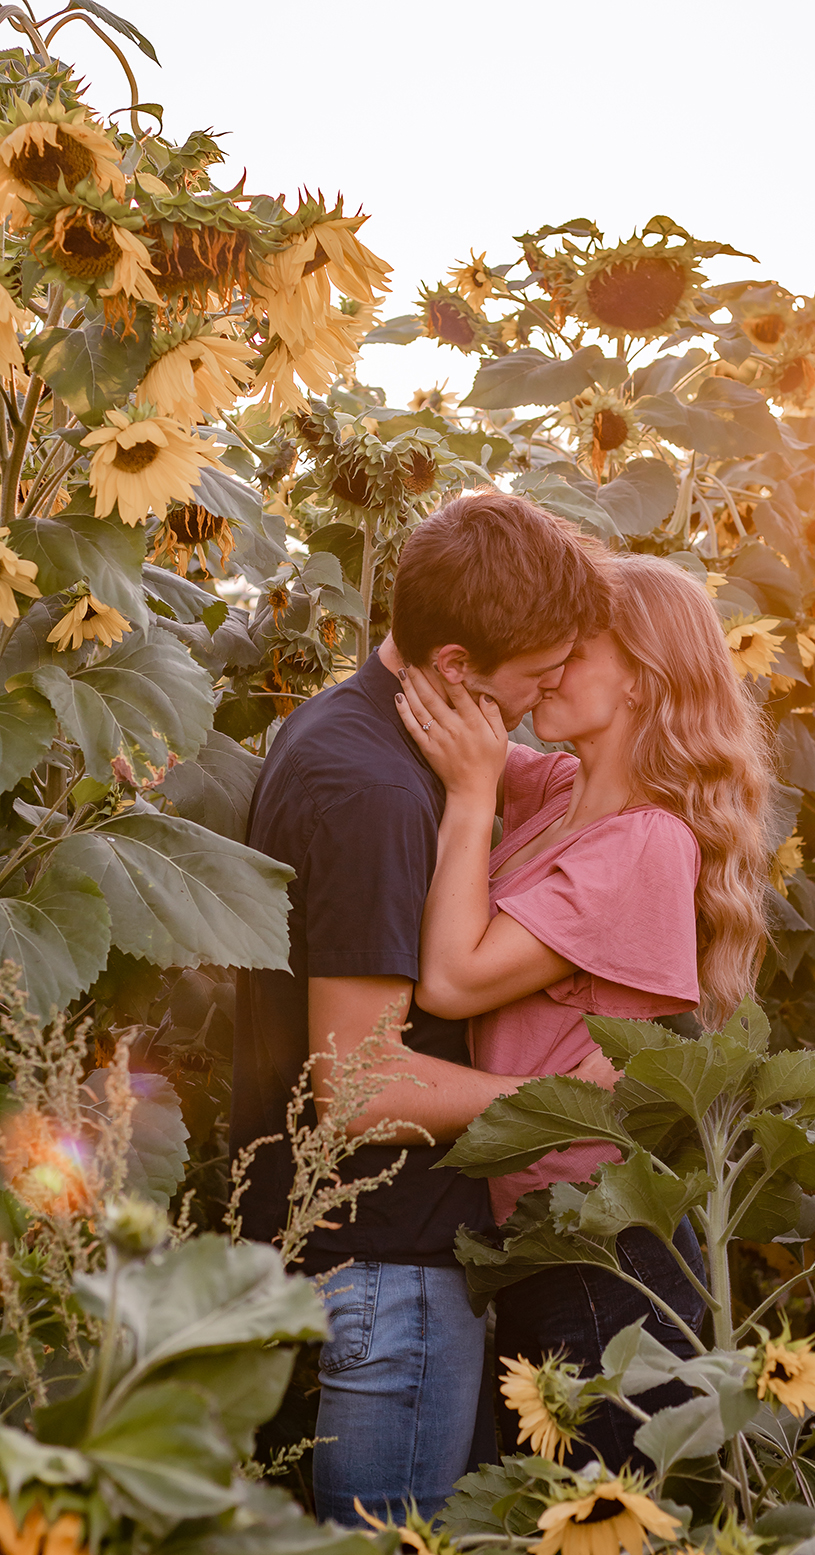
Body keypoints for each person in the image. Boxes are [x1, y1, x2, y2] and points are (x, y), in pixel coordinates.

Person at [230, 490, 615, 1526]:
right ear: (454, 665)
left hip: (345, 1253)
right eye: (536, 672)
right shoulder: (374, 791)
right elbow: (358, 1086)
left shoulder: (346, 728)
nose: (545, 696)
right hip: (383, 1269)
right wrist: (557, 1095)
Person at [395, 552, 772, 1471]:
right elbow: (456, 707)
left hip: (604, 1258)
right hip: (549, 1232)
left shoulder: (646, 843)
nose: (549, 665)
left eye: (575, 649)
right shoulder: (564, 794)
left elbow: (450, 980)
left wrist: (476, 790)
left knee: (596, 1516)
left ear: (641, 677)